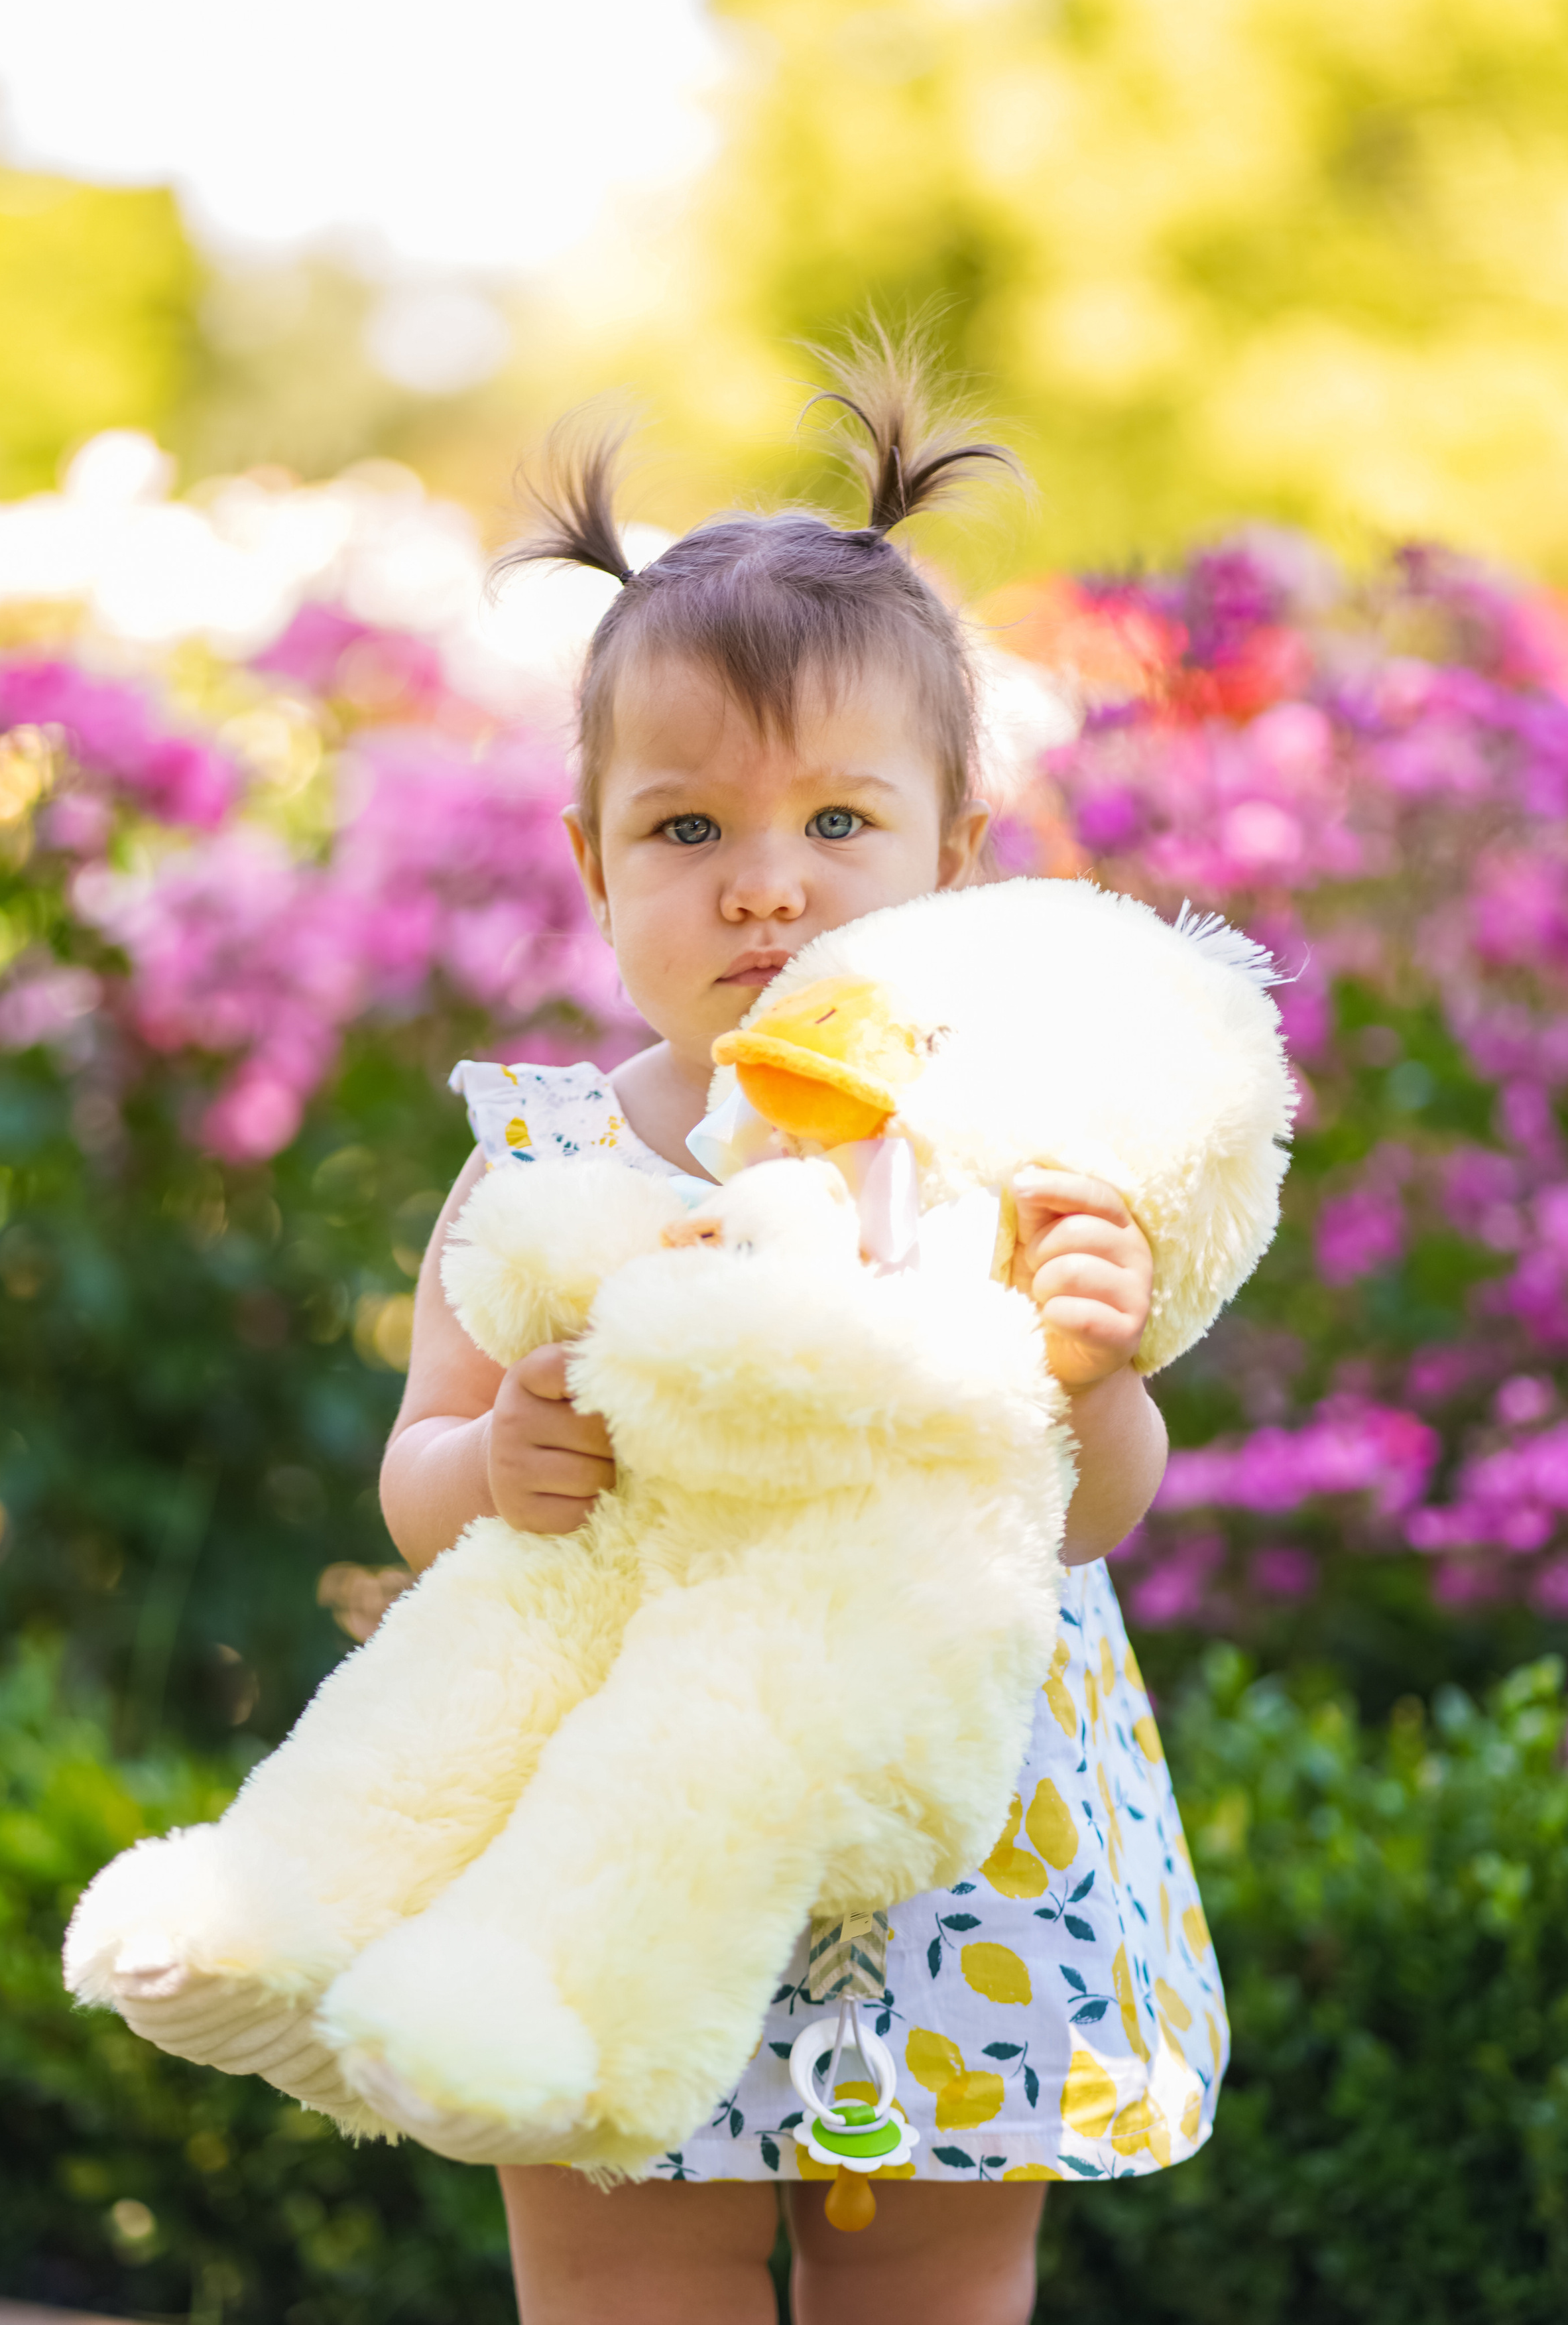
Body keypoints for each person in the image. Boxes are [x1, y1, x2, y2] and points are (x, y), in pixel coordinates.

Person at [379, 339, 1227, 2325]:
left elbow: (1092, 1512)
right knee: (616, 2263)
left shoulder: (1008, 1154)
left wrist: (1094, 1381)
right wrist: (492, 1467)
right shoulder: (542, 1156)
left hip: (953, 1861)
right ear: (595, 867)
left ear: (951, 859)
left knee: (930, 2274)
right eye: (688, 833)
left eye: (838, 823)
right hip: (614, 1818)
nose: (766, 891)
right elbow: (422, 1467)